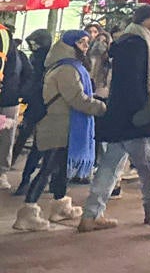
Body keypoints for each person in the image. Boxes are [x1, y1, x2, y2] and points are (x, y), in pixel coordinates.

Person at [82, 2, 150, 231]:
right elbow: (137, 84)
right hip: (135, 118)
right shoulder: (140, 44)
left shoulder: (124, 42)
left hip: (117, 117)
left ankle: (91, 215)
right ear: (143, 20)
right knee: (149, 168)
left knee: (109, 169)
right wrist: (145, 112)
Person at [14, 29, 104, 231]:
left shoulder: (69, 66)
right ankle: (28, 211)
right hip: (57, 125)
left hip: (64, 124)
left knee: (60, 168)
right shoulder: (66, 69)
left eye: (86, 42)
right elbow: (76, 99)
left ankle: (60, 204)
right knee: (48, 167)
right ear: (70, 44)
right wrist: (101, 107)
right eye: (81, 42)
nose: (86, 46)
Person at [12, 29, 51, 197]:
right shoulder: (40, 58)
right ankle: (27, 180)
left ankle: (27, 180)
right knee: (35, 144)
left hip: (41, 105)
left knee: (37, 144)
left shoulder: (45, 59)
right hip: (39, 105)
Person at [0, 20, 22, 189]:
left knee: (6, 138)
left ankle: (1, 172)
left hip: (6, 97)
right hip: (7, 94)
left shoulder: (4, 34)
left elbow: (13, 69)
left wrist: (9, 92)